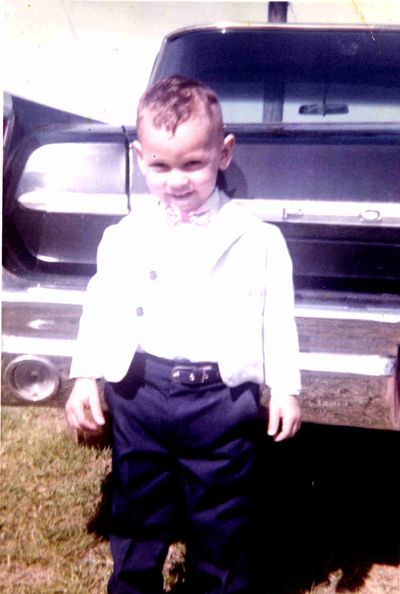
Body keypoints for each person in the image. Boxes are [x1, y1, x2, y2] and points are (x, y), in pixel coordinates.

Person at [65, 75, 301, 594]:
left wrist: (284, 386)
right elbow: (100, 305)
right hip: (140, 392)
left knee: (222, 516)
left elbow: (277, 316)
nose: (177, 180)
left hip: (220, 399)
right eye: (160, 166)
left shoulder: (257, 238)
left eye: (192, 163)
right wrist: (84, 376)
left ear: (224, 153)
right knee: (136, 505)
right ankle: (132, 585)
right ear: (139, 156)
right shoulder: (124, 236)